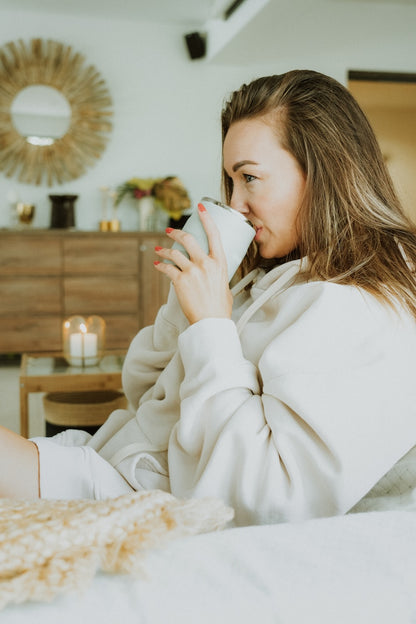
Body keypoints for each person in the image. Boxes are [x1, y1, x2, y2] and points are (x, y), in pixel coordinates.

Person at [1, 69, 416, 526]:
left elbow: (265, 497)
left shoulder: (365, 310)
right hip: (121, 464)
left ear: (325, 172)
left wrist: (211, 328)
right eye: (231, 181)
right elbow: (147, 397)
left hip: (155, 502)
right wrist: (188, 302)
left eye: (250, 178)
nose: (235, 204)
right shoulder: (277, 276)